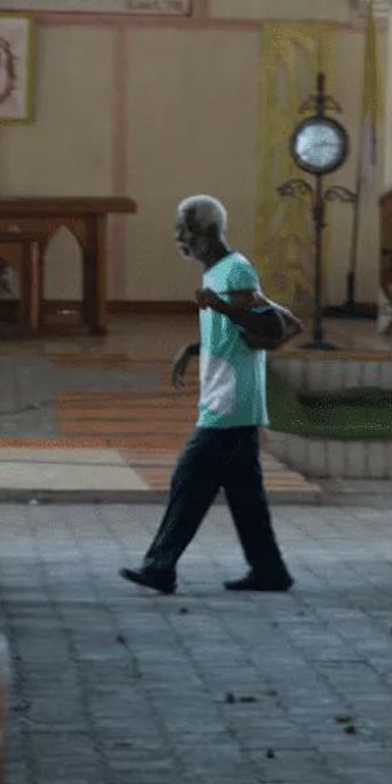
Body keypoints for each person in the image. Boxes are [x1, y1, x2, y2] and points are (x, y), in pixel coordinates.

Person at [120, 195, 294, 595]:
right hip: (231, 397)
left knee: (190, 477)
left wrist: (218, 304)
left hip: (231, 400)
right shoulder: (215, 273)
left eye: (185, 229)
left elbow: (268, 328)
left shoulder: (236, 271)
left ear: (208, 232)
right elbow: (229, 331)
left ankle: (160, 566)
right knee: (244, 493)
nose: (179, 238)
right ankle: (270, 570)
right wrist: (195, 348)